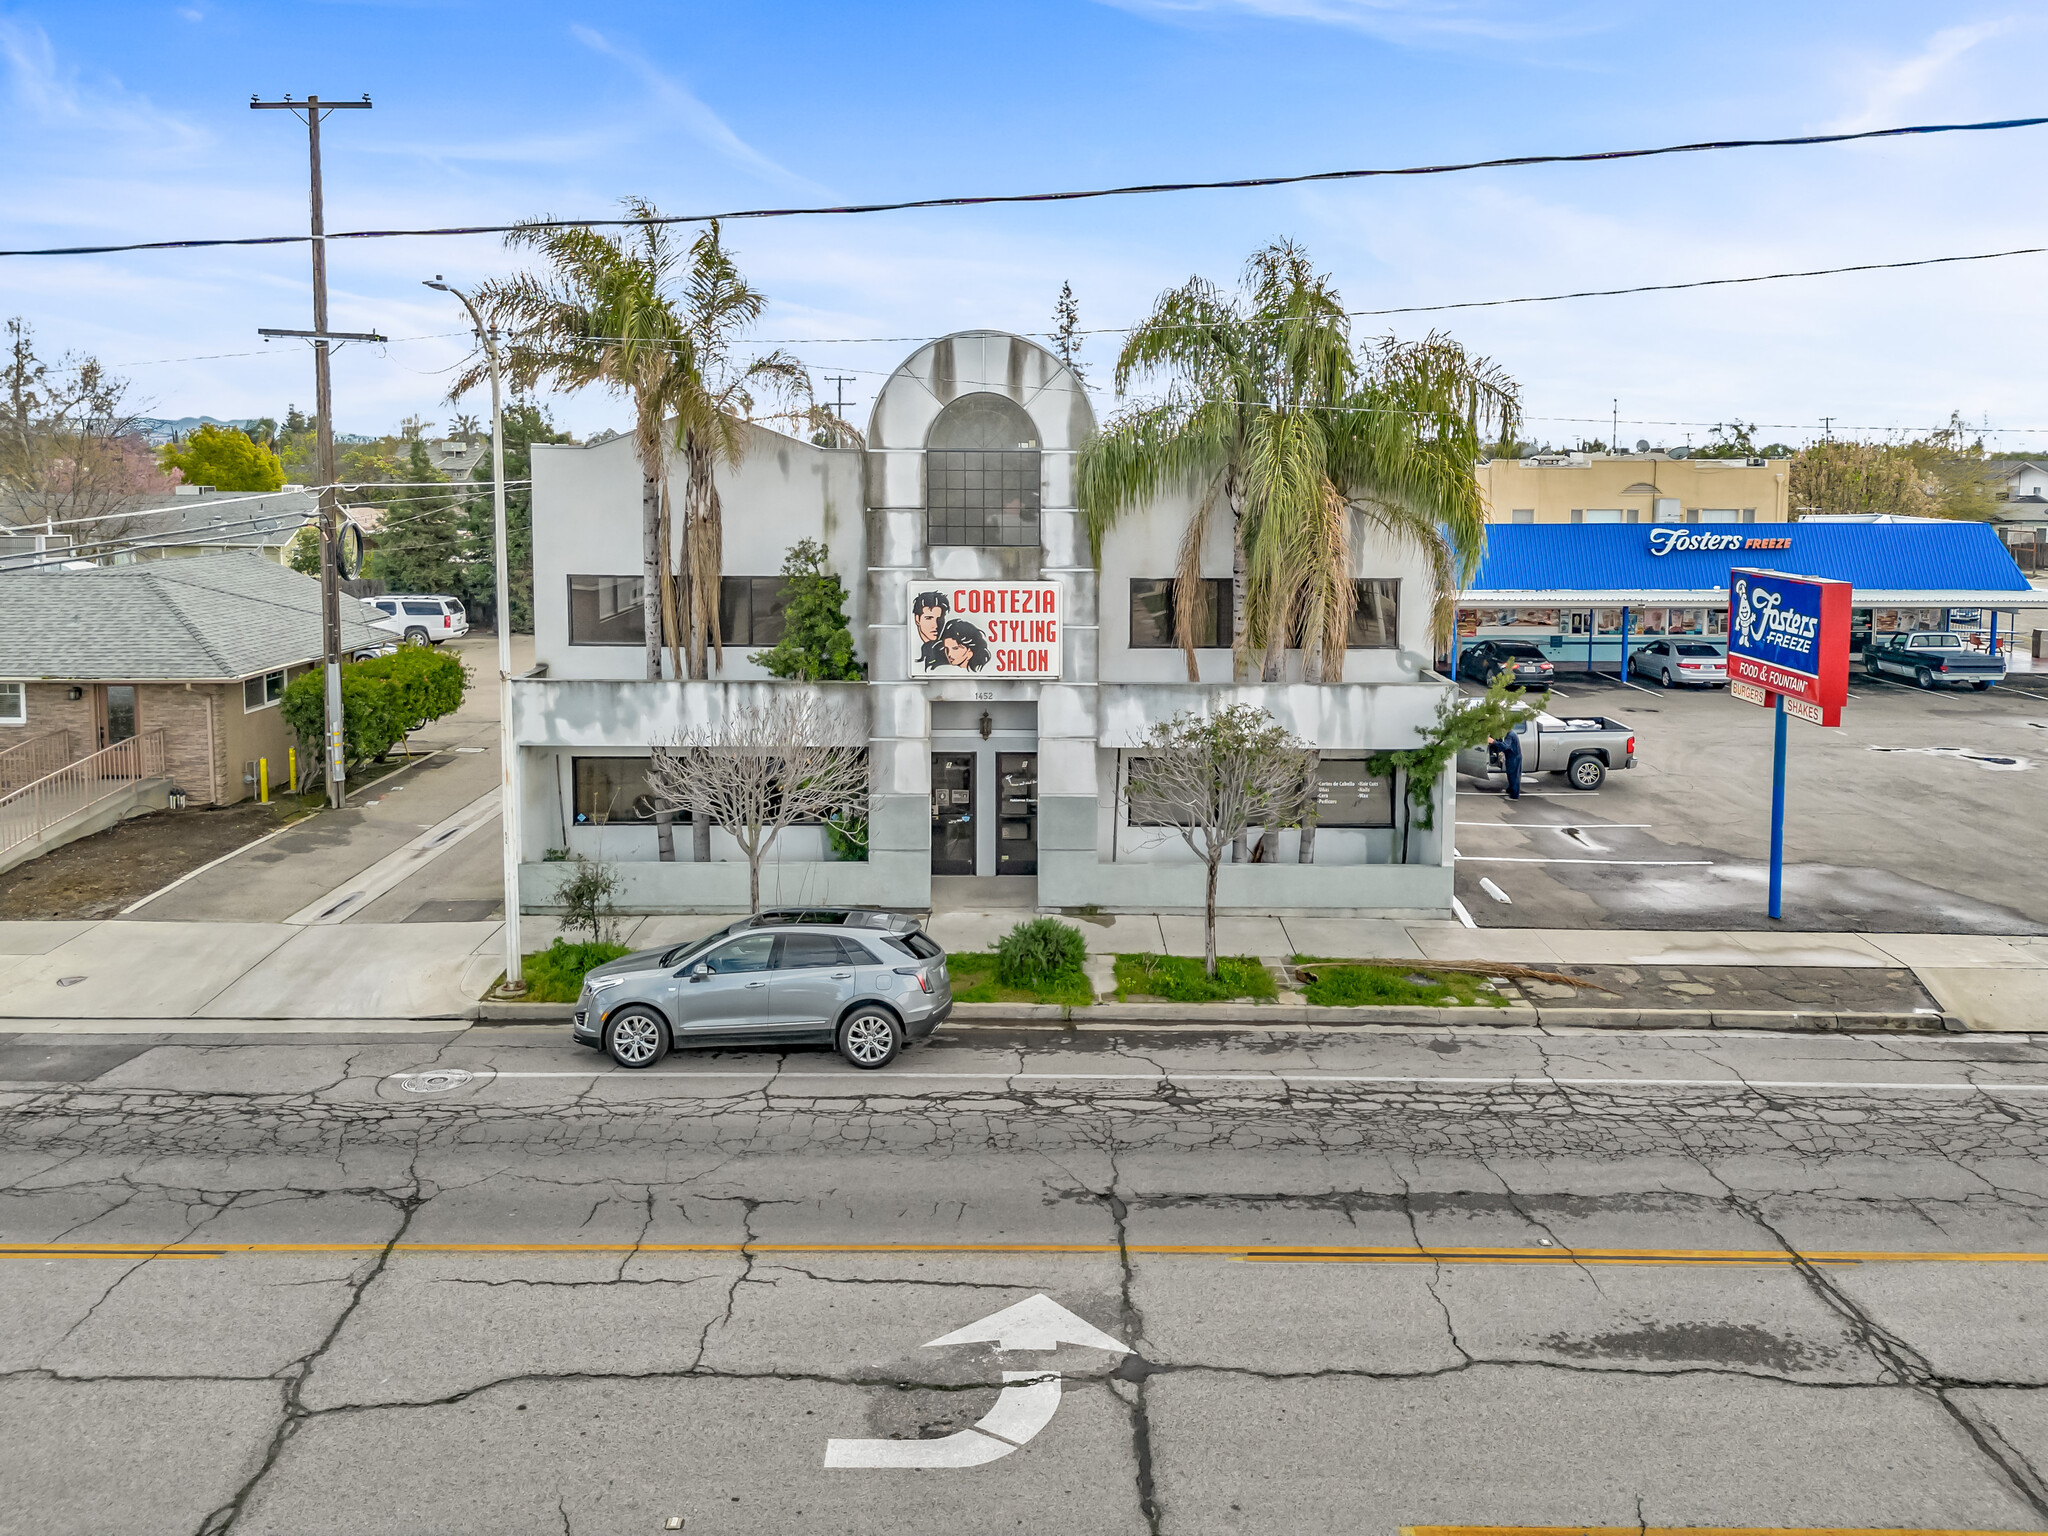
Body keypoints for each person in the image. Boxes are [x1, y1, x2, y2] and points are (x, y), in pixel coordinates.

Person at [913, 591, 951, 670]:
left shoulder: (949, 653)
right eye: (929, 618)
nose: (936, 625)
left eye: (939, 619)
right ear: (917, 619)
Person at [1499, 722, 1523, 800]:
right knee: (1510, 775)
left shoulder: (1509, 735)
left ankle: (1514, 796)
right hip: (1513, 757)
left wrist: (1493, 742)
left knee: (1514, 776)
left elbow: (1506, 746)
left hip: (1514, 758)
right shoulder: (1511, 733)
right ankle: (1510, 789)